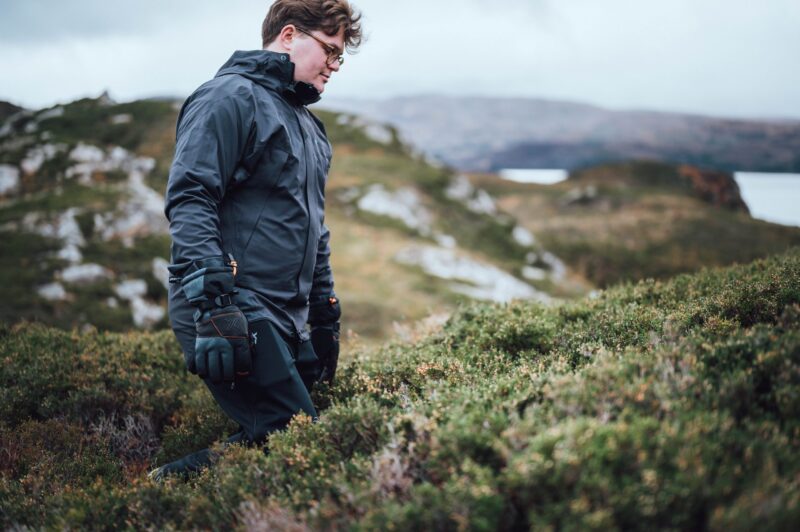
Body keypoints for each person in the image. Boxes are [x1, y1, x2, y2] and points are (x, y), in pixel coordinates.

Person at [150, 0, 363, 481]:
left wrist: (325, 311)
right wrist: (216, 307)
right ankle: (156, 493)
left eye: (340, 57)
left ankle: (170, 485)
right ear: (289, 36)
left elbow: (313, 227)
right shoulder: (226, 98)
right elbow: (190, 197)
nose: (333, 65)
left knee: (280, 439)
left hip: (288, 316)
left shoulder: (310, 127)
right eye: (328, 50)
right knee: (298, 440)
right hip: (231, 307)